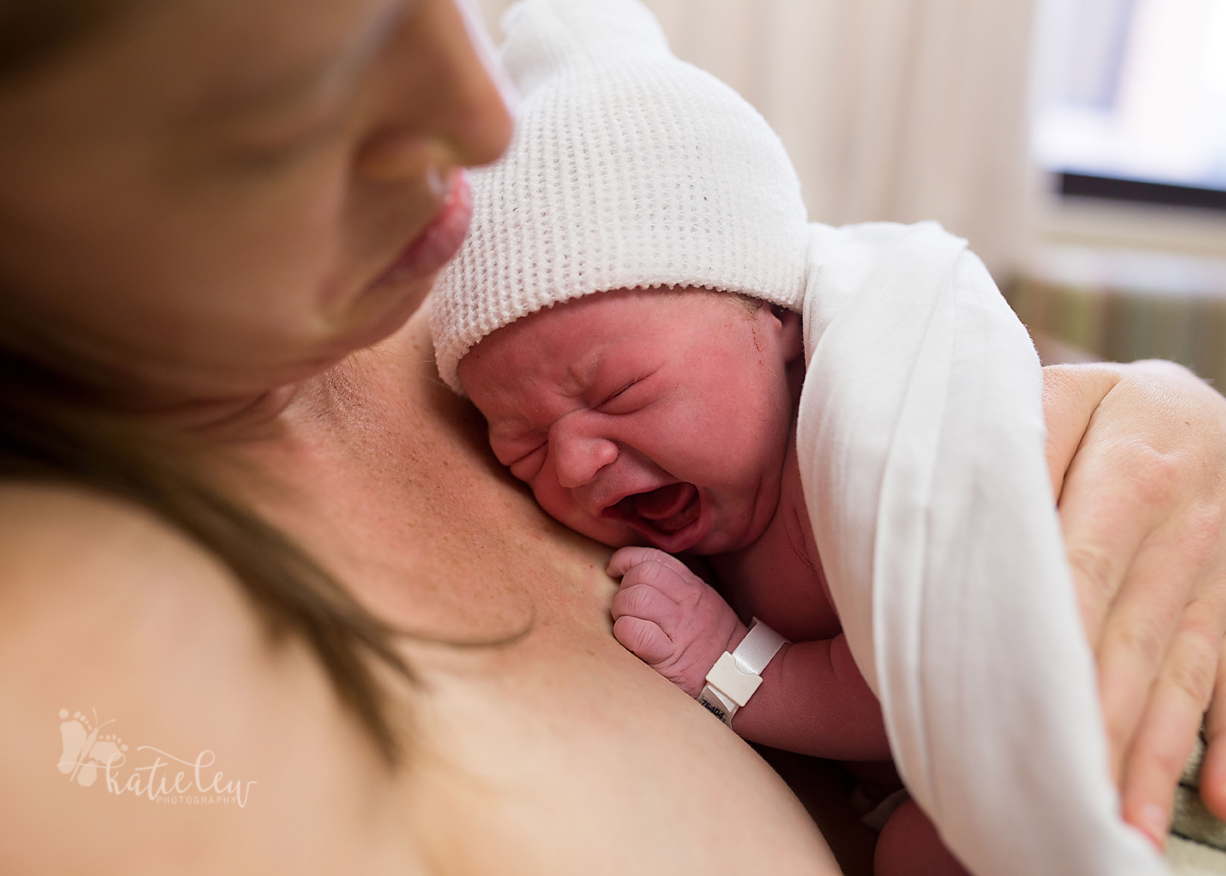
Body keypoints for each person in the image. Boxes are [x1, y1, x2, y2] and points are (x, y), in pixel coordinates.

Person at [0, 0, 1224, 874]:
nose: (481, 129)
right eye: (296, 94)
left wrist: (1163, 423)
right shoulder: (71, 698)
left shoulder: (532, 246)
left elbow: (928, 362)